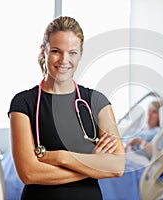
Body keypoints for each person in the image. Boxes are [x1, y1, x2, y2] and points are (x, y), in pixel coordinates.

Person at [8, 16, 125, 200]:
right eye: (56, 51)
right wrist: (94, 166)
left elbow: (118, 166)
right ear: (44, 51)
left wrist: (60, 157)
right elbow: (29, 173)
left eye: (72, 52)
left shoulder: (97, 102)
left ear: (80, 54)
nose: (64, 60)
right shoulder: (23, 104)